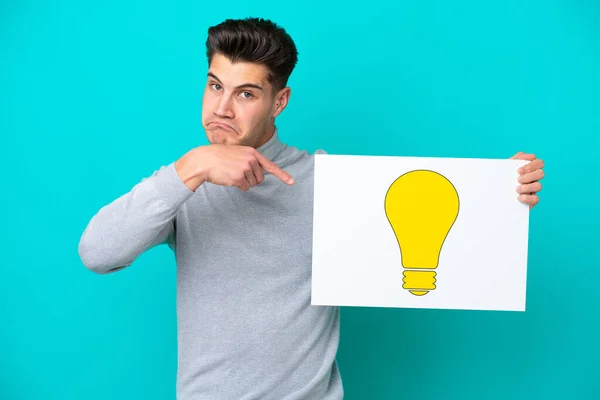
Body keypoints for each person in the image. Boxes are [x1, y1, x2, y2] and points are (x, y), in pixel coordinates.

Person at [78, 17, 545, 400]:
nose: (222, 108)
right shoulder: (184, 181)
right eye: (215, 85)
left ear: (279, 101)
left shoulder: (333, 183)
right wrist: (192, 167)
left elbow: (429, 217)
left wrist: (500, 191)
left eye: (245, 93)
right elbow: (97, 252)